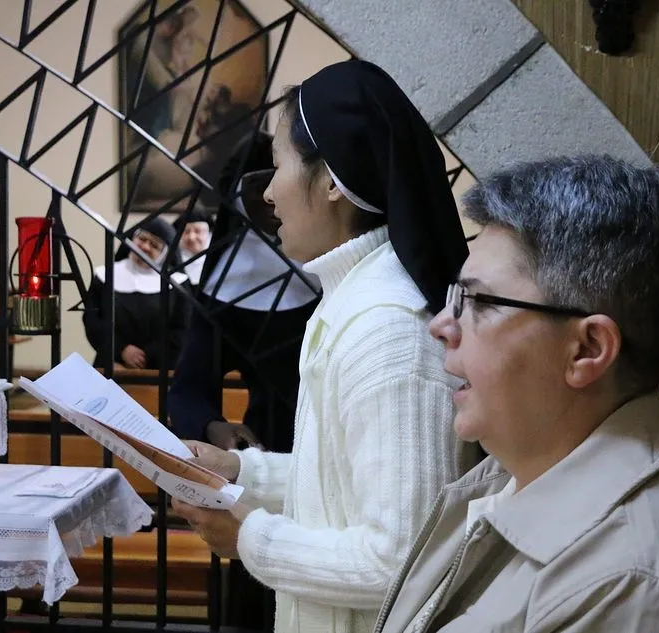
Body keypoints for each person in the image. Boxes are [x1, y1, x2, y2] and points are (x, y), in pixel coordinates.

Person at [373, 156, 659, 633]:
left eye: (479, 302)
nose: (442, 325)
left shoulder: (637, 591)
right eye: (455, 297)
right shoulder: (517, 467)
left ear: (587, 349)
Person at [171, 60, 478, 633]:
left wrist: (250, 537)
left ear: (332, 180)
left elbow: (404, 559)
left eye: (279, 164)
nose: (267, 192)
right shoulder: (355, 296)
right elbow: (340, 482)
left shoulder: (390, 328)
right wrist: (240, 470)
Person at [168, 132, 320, 631]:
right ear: (235, 196)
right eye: (256, 187)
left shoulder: (326, 259)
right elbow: (189, 387)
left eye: (276, 180)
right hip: (267, 449)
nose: (269, 197)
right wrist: (213, 426)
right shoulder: (228, 279)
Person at [83, 216, 187, 371]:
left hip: (161, 370)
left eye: (154, 245)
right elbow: (92, 320)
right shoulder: (105, 276)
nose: (145, 247)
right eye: (142, 239)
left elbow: (182, 330)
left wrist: (146, 357)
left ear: (165, 254)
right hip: (111, 363)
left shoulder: (178, 283)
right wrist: (121, 349)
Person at [174, 208, 212, 286]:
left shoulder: (220, 258)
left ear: (209, 234)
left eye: (198, 231)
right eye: (186, 232)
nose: (191, 237)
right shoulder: (173, 260)